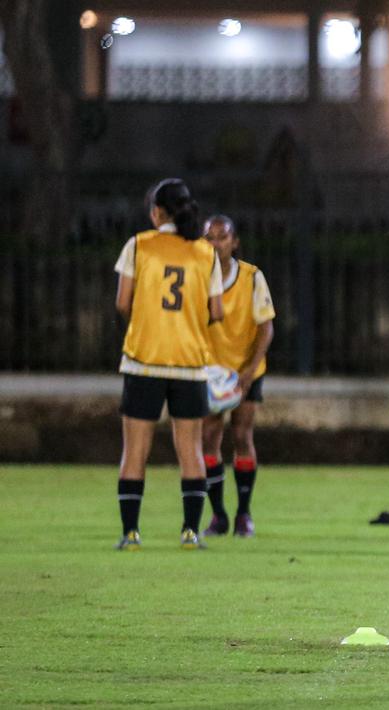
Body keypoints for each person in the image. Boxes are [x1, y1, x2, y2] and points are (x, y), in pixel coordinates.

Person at [113, 178, 224, 551]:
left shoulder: (140, 245)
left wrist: (148, 325)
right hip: (189, 364)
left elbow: (122, 303)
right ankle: (191, 532)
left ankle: (131, 534)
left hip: (144, 362)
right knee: (191, 450)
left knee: (135, 451)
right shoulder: (205, 253)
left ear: (157, 212)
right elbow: (217, 311)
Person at [201, 215, 276, 538]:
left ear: (235, 242)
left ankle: (244, 513)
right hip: (211, 372)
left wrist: (248, 370)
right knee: (208, 440)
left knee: (243, 436)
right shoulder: (197, 277)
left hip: (247, 370)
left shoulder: (252, 277)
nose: (216, 244)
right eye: (210, 237)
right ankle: (218, 515)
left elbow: (266, 327)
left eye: (222, 237)